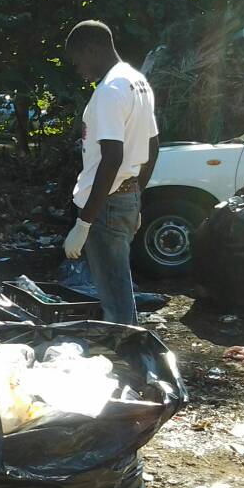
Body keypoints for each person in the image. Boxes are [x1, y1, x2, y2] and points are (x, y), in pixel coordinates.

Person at [62, 20, 159, 325]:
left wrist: (84, 222)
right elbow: (153, 145)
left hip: (105, 204)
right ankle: (128, 352)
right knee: (119, 285)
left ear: (92, 48)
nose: (78, 69)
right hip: (125, 197)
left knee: (114, 298)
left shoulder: (109, 90)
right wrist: (137, 194)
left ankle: (128, 360)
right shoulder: (137, 81)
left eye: (78, 60)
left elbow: (112, 157)